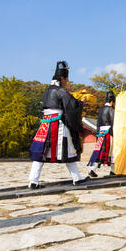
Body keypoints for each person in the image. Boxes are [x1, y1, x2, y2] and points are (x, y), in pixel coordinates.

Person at [28, 61, 90, 189]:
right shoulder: (61, 91)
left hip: (45, 124)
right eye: (67, 79)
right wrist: (81, 102)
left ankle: (33, 181)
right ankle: (76, 178)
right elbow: (72, 106)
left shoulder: (47, 90)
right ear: (62, 78)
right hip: (58, 124)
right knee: (69, 149)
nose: (67, 81)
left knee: (41, 151)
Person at [87, 91, 116, 177]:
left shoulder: (101, 110)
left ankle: (92, 169)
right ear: (112, 102)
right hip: (109, 132)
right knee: (113, 152)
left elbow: (98, 123)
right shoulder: (111, 109)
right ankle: (113, 170)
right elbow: (113, 122)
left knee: (99, 151)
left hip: (100, 132)